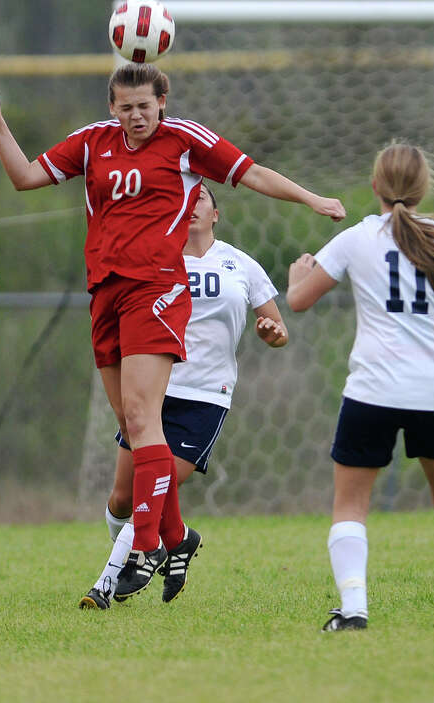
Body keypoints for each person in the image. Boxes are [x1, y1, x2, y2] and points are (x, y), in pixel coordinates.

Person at [0, 63, 345, 600]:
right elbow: (25, 176)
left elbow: (254, 172)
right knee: (130, 421)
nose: (136, 116)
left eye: (144, 105)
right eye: (125, 107)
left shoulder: (185, 141)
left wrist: (312, 199)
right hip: (105, 292)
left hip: (157, 289)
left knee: (145, 418)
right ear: (111, 109)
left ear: (162, 100)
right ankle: (175, 534)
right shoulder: (93, 142)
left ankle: (145, 545)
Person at [286, 141, 434, 630]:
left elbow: (300, 301)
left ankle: (353, 612)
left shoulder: (356, 238)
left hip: (371, 390)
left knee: (350, 505)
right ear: (424, 187)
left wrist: (296, 275)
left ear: (375, 187)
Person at [78, 185, 289, 609]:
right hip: (152, 389)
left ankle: (106, 582)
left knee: (149, 489)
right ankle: (175, 539)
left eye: (200, 199)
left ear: (216, 214)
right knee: (121, 499)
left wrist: (273, 333)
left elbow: (277, 329)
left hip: (206, 394)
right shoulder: (154, 259)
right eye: (182, 198)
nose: (190, 205)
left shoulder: (241, 265)